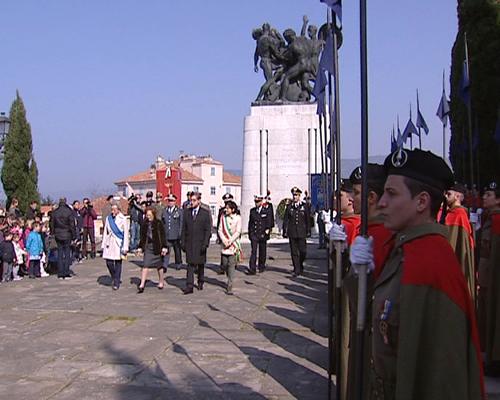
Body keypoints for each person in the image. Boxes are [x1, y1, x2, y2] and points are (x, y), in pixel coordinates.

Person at [351, 149, 484, 398]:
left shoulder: (432, 263)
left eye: (392, 194)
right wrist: (359, 274)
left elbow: (442, 375)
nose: (381, 203)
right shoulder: (403, 250)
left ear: (421, 202)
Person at [477, 181, 500, 376]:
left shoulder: (497, 220)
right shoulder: (489, 218)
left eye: (489, 194)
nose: (484, 197)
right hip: (486, 278)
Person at [442, 182, 475, 300]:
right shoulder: (449, 213)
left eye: (449, 194)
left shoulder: (460, 215)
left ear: (457, 197)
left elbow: (462, 246)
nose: (446, 196)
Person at [180, 192, 212, 295]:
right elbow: (184, 228)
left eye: (194, 200)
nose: (192, 202)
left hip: (200, 243)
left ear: (199, 201)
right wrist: (183, 242)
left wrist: (205, 243)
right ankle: (189, 285)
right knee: (190, 264)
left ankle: (200, 281)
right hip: (189, 243)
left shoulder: (205, 213)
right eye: (190, 200)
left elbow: (207, 230)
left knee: (200, 263)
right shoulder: (187, 212)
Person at [136, 208, 168, 293]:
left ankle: (161, 281)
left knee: (159, 266)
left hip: (157, 247)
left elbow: (163, 235)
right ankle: (142, 284)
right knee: (145, 265)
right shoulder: (144, 224)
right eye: (147, 215)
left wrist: (164, 247)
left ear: (153, 214)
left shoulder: (158, 223)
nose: (148, 217)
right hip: (148, 247)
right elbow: (142, 237)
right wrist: (140, 247)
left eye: (150, 215)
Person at [282, 187, 311, 277]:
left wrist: (308, 230)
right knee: (294, 252)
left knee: (303, 251)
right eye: (294, 195)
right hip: (292, 232)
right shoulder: (289, 207)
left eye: (296, 195)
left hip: (302, 232)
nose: (295, 197)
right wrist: (285, 230)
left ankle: (300, 265)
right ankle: (296, 269)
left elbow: (307, 219)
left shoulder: (304, 206)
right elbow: (286, 220)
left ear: (299, 196)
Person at [102, 203, 129, 290]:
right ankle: (114, 276)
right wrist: (103, 244)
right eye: (112, 209)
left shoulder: (123, 219)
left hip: (118, 243)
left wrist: (125, 247)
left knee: (118, 263)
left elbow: (126, 234)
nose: (112, 211)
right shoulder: (108, 218)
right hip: (109, 243)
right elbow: (105, 232)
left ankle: (116, 281)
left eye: (114, 209)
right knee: (109, 262)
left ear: (118, 210)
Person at [217, 200, 242, 295]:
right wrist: (224, 240)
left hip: (233, 244)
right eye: (225, 208)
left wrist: (230, 241)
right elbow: (219, 230)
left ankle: (230, 284)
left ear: (233, 209)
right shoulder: (223, 218)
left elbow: (238, 231)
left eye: (227, 208)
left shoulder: (238, 218)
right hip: (224, 244)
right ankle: (228, 277)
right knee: (224, 264)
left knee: (231, 264)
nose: (225, 209)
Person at [49, 198, 76, 280]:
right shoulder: (69, 211)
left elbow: (52, 223)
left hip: (58, 234)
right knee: (67, 253)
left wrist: (53, 233)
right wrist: (74, 235)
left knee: (60, 253)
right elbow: (72, 224)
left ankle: (60, 273)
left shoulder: (55, 212)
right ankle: (66, 272)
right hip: (67, 234)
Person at [247, 194, 274, 275]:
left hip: (262, 234)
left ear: (261, 201)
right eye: (255, 202)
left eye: (258, 202)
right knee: (253, 252)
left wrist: (267, 230)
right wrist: (250, 233)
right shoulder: (252, 211)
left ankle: (261, 266)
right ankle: (252, 268)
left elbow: (268, 221)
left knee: (262, 251)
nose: (257, 203)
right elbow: (250, 223)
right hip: (254, 234)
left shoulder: (266, 210)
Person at [161, 194, 183, 270]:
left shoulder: (179, 211)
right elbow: (163, 222)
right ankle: (165, 264)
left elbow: (181, 223)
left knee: (177, 250)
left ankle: (178, 263)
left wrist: (180, 234)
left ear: (175, 201)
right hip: (167, 234)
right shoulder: (164, 210)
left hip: (176, 234)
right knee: (166, 250)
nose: (170, 202)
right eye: (169, 201)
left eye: (172, 201)